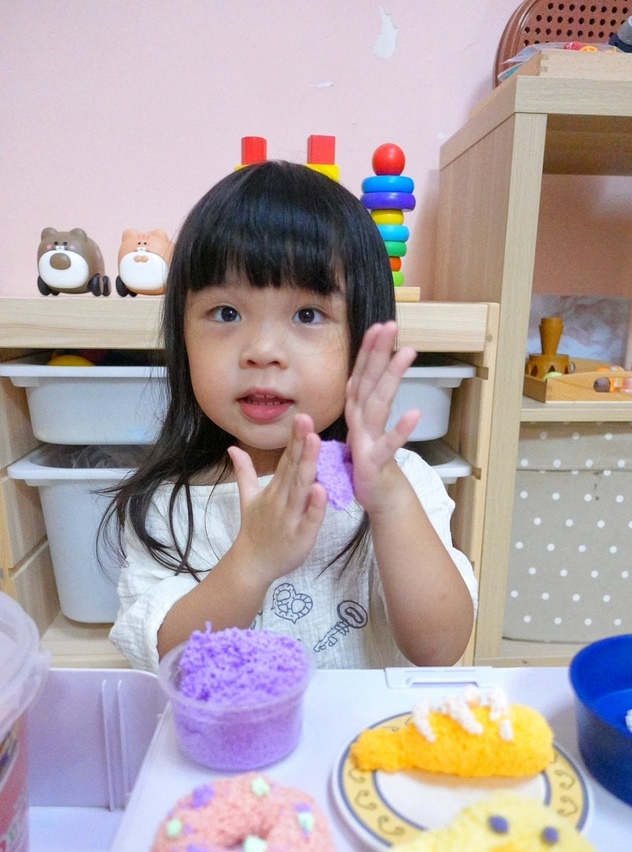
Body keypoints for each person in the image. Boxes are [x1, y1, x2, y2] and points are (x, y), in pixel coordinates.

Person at [107, 161, 477, 673]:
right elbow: (173, 664)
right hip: (234, 728)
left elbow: (439, 649)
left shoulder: (400, 485)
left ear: (363, 335)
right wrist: (251, 561)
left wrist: (389, 498)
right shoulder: (168, 504)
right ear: (182, 335)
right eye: (226, 313)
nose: (262, 351)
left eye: (308, 314)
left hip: (365, 727)